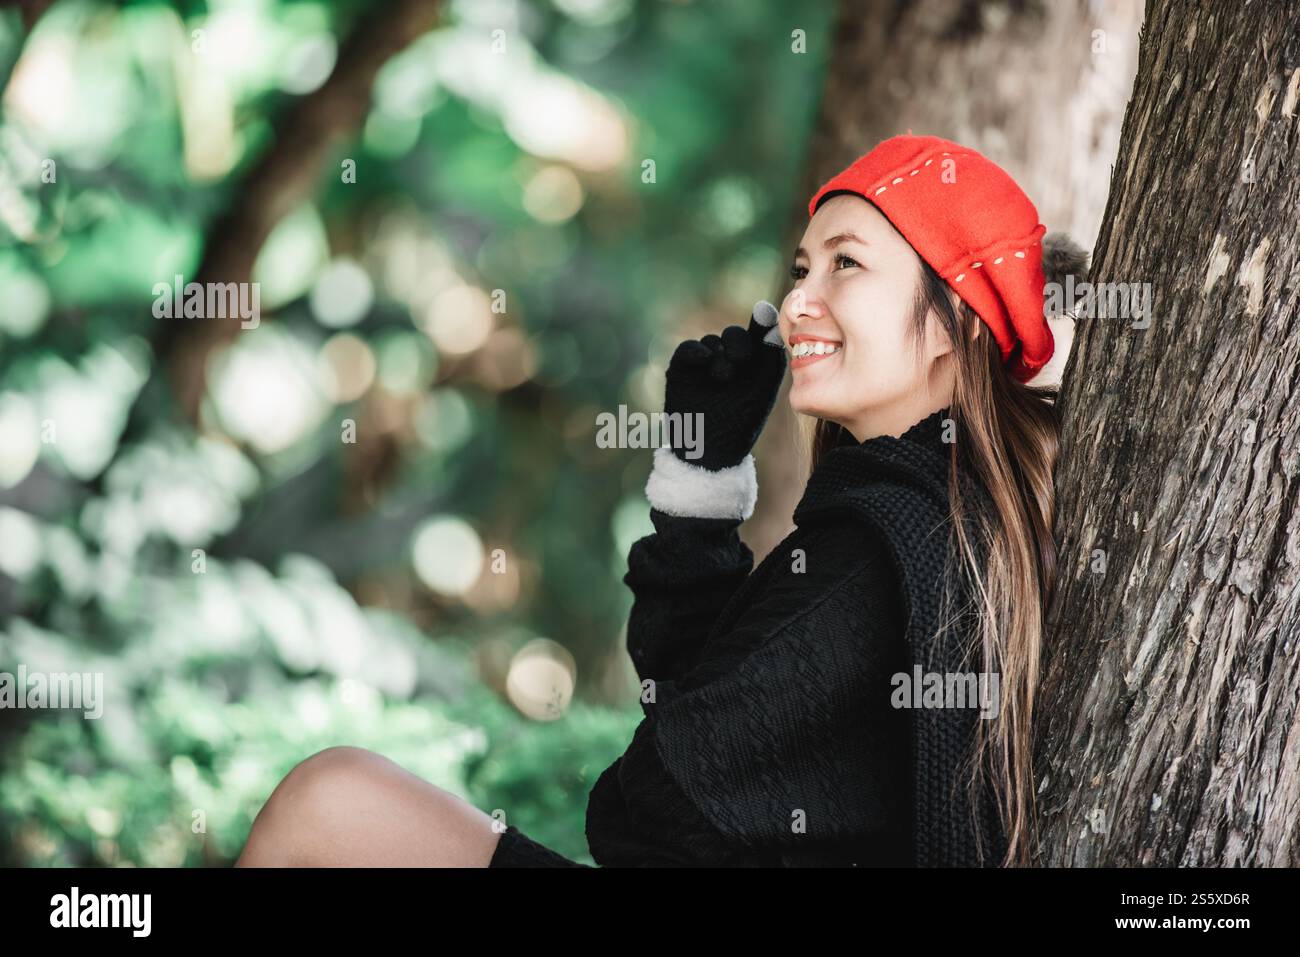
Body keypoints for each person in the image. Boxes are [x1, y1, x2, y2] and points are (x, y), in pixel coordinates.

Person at [235, 133, 1087, 869]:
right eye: (800, 268)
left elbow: (648, 809)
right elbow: (698, 702)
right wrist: (701, 483)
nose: (798, 301)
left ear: (952, 323)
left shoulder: (876, 548)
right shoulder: (945, 521)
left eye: (847, 264)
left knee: (331, 800)